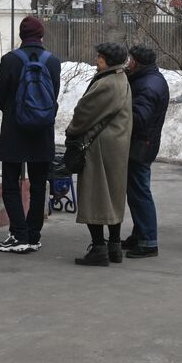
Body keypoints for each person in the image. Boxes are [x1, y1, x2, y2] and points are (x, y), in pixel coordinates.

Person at [0, 15, 63, 254]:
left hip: (14, 130)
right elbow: (52, 95)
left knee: (11, 184)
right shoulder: (52, 61)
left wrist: (14, 110)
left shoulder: (10, 60)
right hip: (42, 132)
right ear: (41, 35)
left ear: (22, 36)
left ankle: (18, 234)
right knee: (38, 185)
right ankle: (33, 235)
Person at [67, 43, 133, 267]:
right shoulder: (122, 78)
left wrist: (71, 132)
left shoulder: (107, 83)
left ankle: (98, 248)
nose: (96, 59)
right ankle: (114, 246)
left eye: (100, 57)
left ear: (109, 60)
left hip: (99, 147)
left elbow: (84, 113)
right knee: (114, 196)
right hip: (117, 145)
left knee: (94, 196)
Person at [124, 44, 169, 258]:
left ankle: (149, 241)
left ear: (136, 62)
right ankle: (140, 233)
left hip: (141, 145)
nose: (128, 63)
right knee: (136, 191)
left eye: (130, 59)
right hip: (143, 143)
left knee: (140, 192)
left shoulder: (148, 85)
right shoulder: (148, 79)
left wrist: (122, 114)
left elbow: (139, 118)